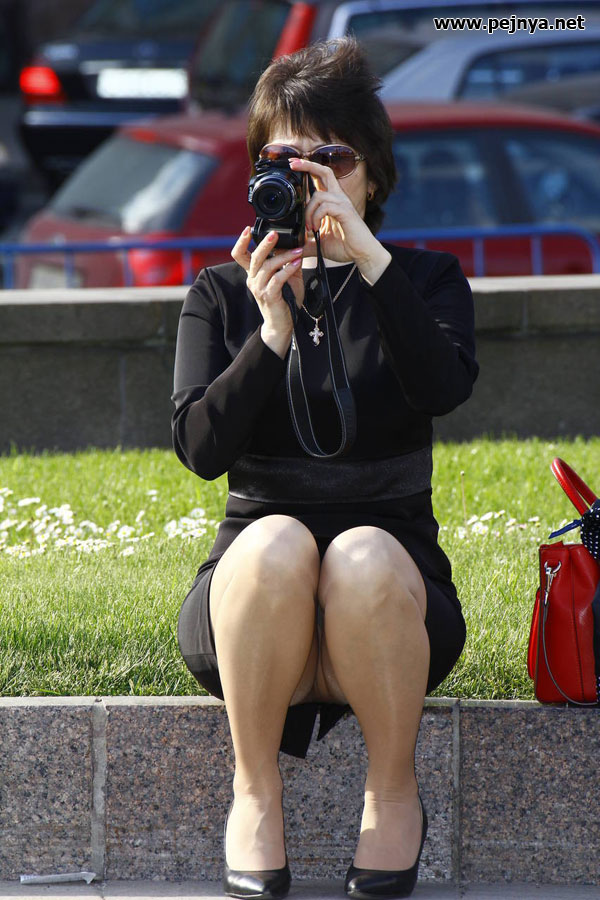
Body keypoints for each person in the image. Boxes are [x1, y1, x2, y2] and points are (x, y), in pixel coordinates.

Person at [171, 37, 478, 900]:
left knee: (362, 553)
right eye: (284, 163)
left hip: (392, 608)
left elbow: (444, 388)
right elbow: (200, 449)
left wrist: (370, 264)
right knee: (275, 541)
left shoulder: (425, 280)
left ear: (372, 176)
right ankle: (254, 791)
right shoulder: (223, 294)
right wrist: (270, 332)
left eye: (329, 161)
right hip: (251, 614)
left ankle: (393, 791)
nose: (309, 183)